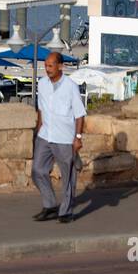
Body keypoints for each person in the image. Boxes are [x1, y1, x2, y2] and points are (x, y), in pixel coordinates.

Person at [31, 51, 86, 223]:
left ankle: (66, 211)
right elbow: (41, 110)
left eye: (50, 65)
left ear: (60, 66)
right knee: (37, 170)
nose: (47, 69)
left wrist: (77, 137)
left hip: (64, 137)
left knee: (68, 176)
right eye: (46, 65)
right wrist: (37, 131)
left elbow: (79, 114)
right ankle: (50, 206)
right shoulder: (42, 84)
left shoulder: (71, 86)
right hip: (45, 134)